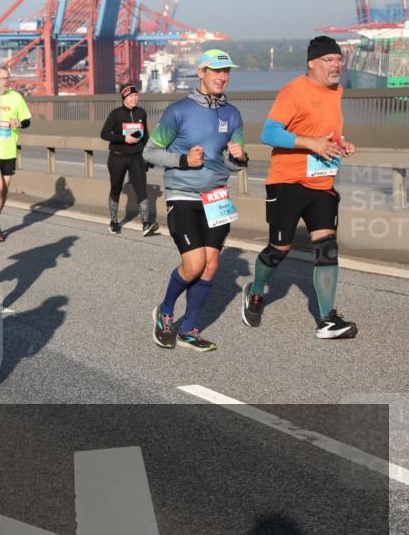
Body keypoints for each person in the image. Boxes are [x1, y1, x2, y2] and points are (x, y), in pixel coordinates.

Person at [242, 36, 358, 339]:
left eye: (338, 59)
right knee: (280, 247)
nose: (336, 65)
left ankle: (327, 319)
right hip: (287, 182)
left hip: (322, 183)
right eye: (329, 60)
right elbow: (269, 133)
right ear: (312, 63)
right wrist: (311, 143)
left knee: (327, 248)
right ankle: (255, 291)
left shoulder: (337, 92)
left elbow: (327, 133)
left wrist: (339, 143)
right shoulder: (293, 91)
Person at [144, 49, 248, 352]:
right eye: (216, 70)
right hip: (183, 195)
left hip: (216, 197)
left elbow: (228, 164)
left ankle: (189, 328)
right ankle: (164, 312)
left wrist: (239, 159)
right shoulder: (179, 111)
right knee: (194, 264)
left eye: (226, 70)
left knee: (211, 266)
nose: (222, 76)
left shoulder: (233, 114)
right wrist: (184, 160)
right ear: (200, 72)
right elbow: (149, 152)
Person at [0, 66, 32, 242]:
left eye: (8, 78)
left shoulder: (16, 97)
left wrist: (19, 122)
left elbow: (27, 121)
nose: (6, 81)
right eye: (2, 78)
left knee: (5, 190)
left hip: (9, 149)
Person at [100, 84, 156, 236]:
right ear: (124, 98)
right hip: (117, 157)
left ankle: (146, 224)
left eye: (136, 95)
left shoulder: (141, 113)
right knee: (116, 189)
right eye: (131, 96)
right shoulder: (116, 114)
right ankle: (114, 222)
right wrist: (124, 138)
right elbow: (104, 134)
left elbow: (145, 136)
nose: (134, 98)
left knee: (141, 189)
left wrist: (148, 156)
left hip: (136, 157)